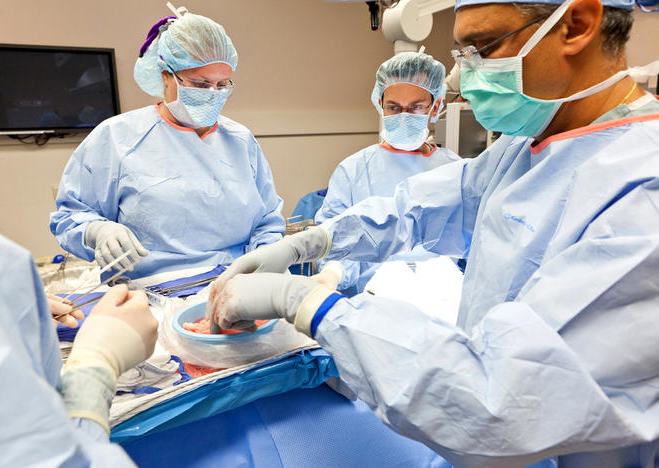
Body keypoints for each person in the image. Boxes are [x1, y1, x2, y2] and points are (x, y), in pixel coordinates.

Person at [207, 0, 659, 465]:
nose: (461, 79)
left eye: (483, 47)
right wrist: (313, 241)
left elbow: (497, 401)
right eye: (463, 54)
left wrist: (304, 303)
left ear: (577, 25)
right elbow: (417, 209)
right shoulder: (526, 147)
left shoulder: (642, 190)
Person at [0, 4, 158, 464]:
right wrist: (95, 368)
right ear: (163, 75)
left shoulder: (241, 140)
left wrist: (4, 304)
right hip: (137, 302)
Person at [50, 9, 285, 280]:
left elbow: (267, 221)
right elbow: (70, 216)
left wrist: (265, 267)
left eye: (223, 85)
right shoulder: (117, 138)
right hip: (148, 295)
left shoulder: (241, 141)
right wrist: (97, 231)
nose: (213, 94)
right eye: (200, 84)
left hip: (236, 288)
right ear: (166, 76)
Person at [313, 50, 460, 295]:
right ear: (379, 105)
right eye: (393, 107)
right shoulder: (354, 170)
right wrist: (332, 273)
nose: (403, 116)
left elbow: (469, 242)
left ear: (435, 109)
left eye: (415, 108)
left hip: (444, 295)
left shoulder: (454, 170)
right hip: (373, 298)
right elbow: (337, 241)